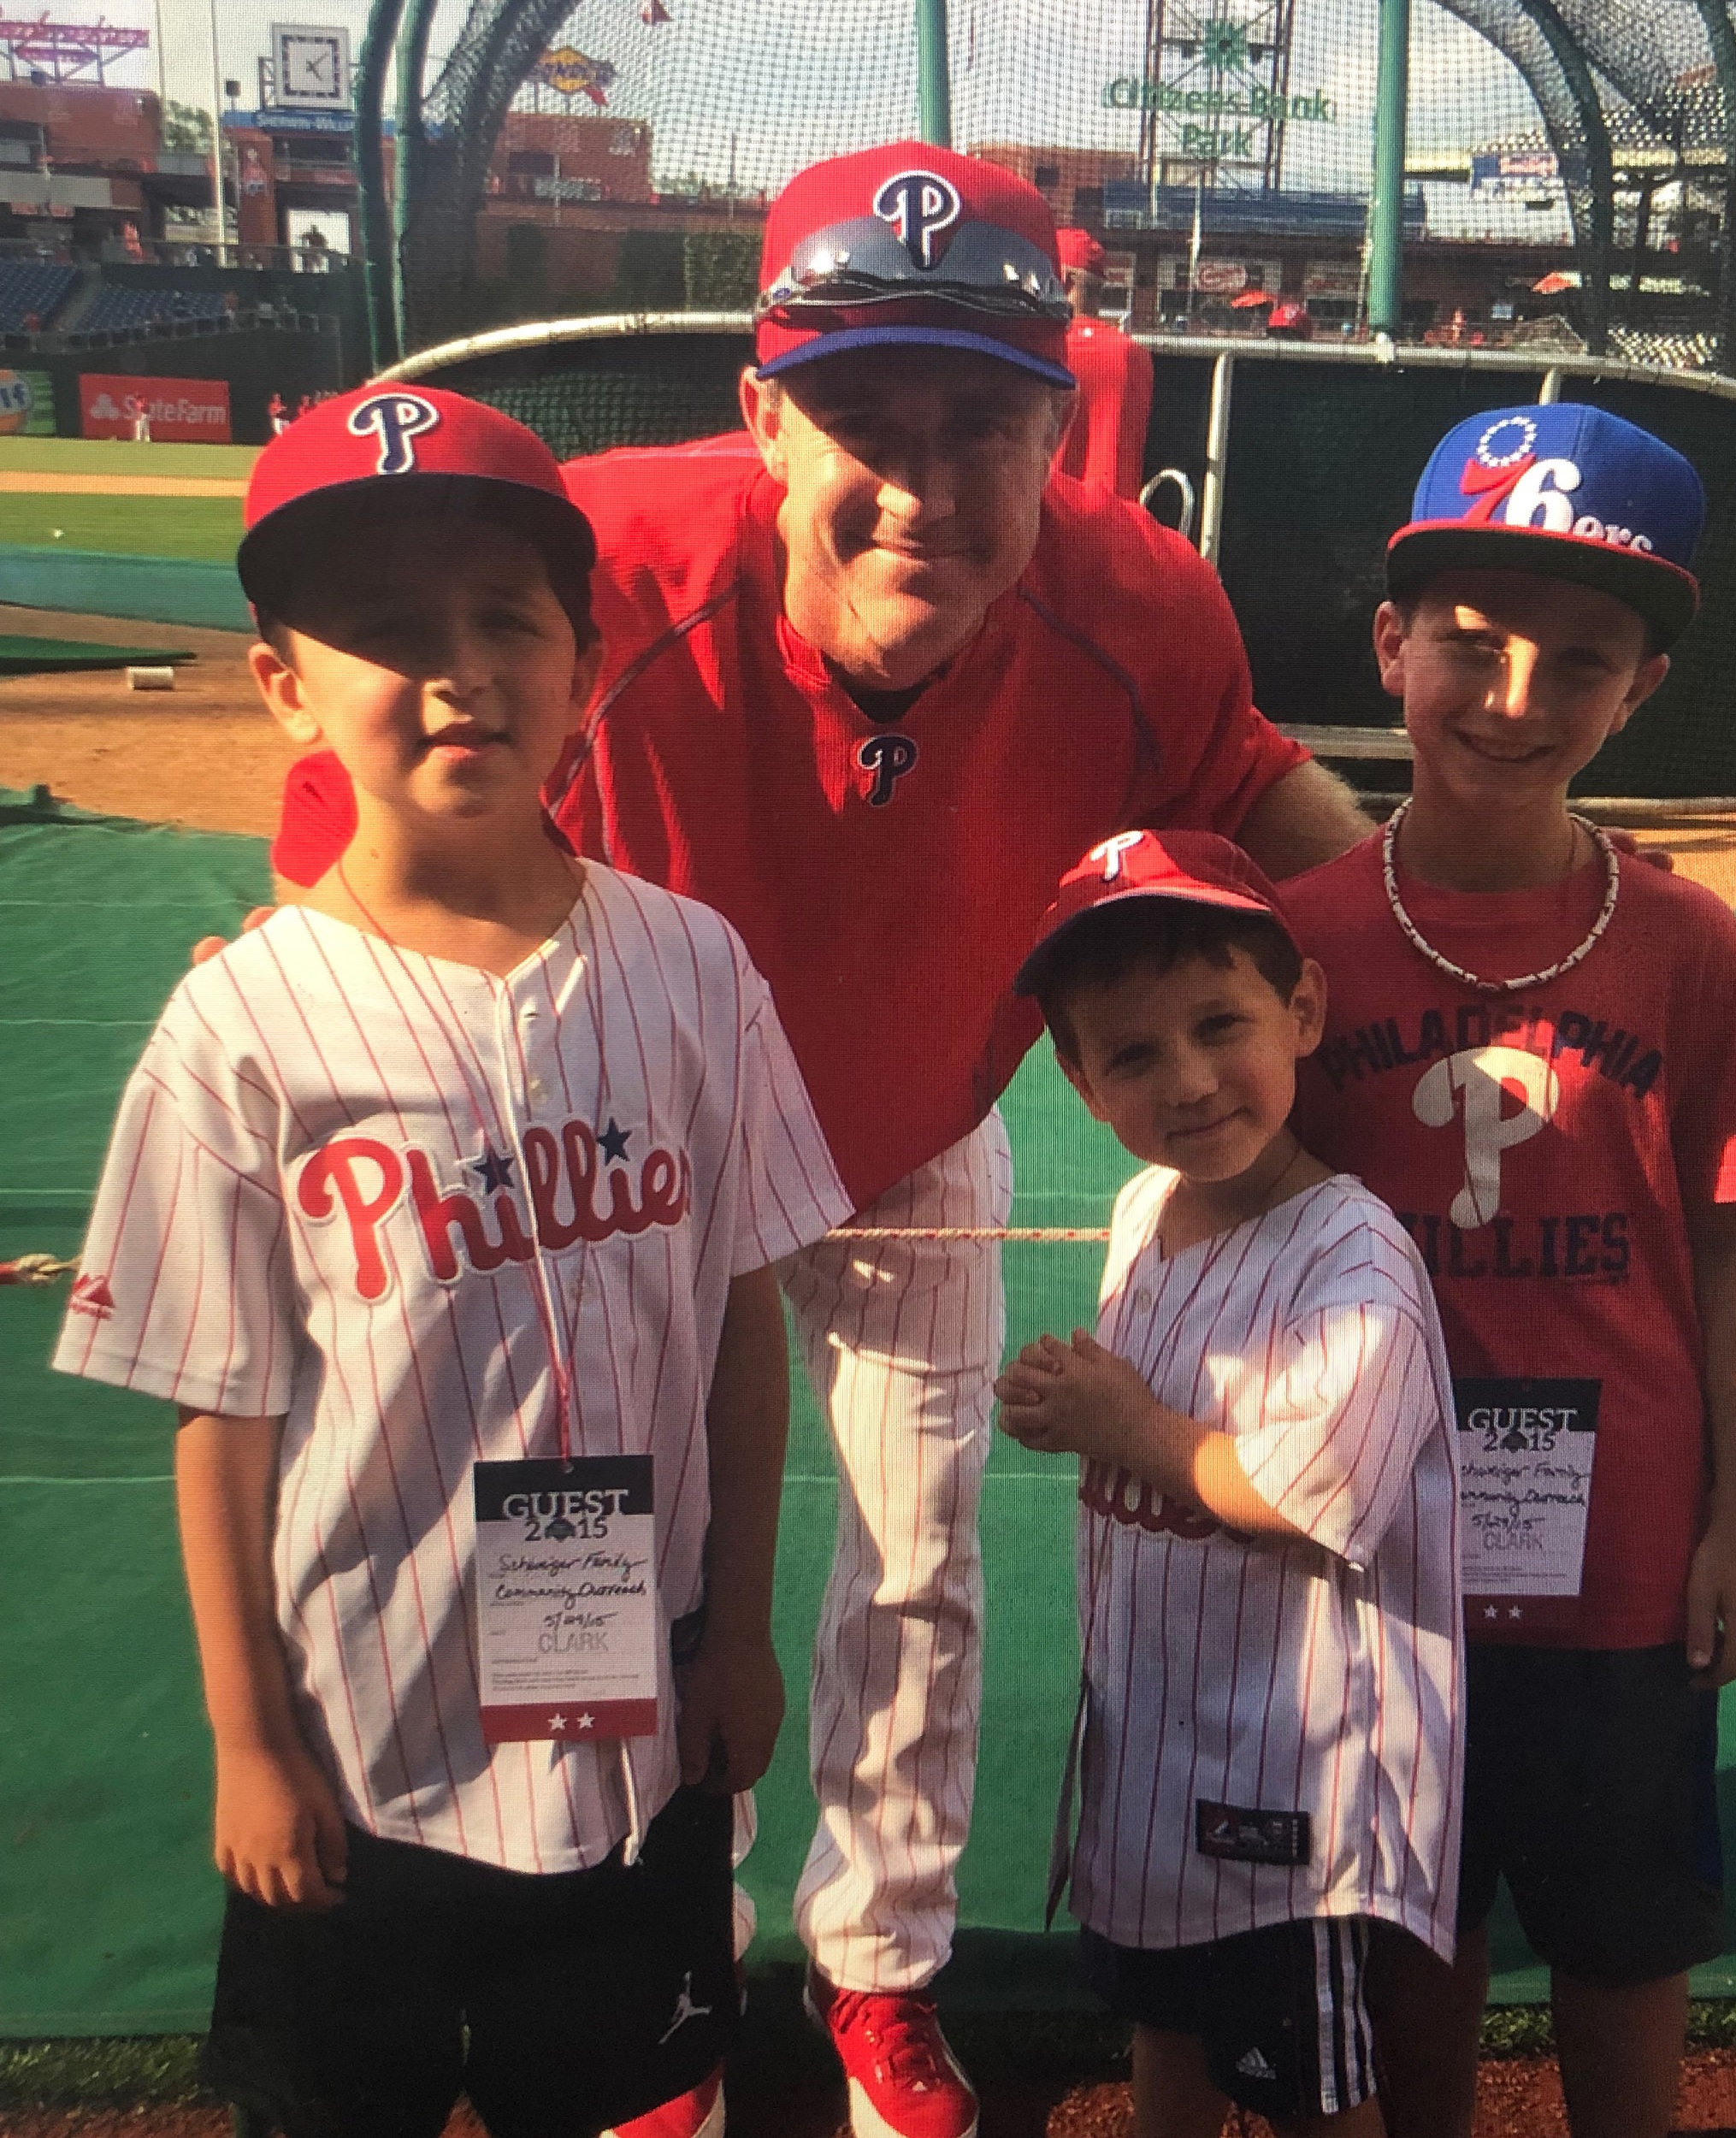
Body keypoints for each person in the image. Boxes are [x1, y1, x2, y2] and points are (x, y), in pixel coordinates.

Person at [256, 141, 1371, 2138]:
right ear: (762, 419)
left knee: (919, 1570)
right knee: (598, 1563)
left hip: (910, 1132)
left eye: (983, 425)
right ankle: (630, 1991)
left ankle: (879, 1978)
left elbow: (1258, 787)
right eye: (864, 418)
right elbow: (362, 874)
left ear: (1065, 428)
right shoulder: (591, 585)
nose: (925, 488)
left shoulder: (1138, 601)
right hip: (629, 1162)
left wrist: (1469, 968)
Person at [57, 388, 851, 2138]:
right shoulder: (243, 1025)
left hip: (639, 1712)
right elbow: (222, 1411)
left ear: (584, 657)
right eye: (388, 630)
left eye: (505, 619)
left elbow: (740, 1314)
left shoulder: (691, 970)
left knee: (622, 2093)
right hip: (358, 1739)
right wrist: (248, 1740)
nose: (456, 670)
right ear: (283, 682)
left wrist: (731, 1631)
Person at [1284, 404, 1736, 2138]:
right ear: (1388, 641)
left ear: (1637, 689)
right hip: (1382, 1544)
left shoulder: (1684, 942)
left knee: (1619, 1939)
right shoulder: (1297, 946)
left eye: (1575, 660)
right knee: (1413, 1940)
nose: (1511, 697)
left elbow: (1726, 1244)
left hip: (1623, 1560)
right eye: (1469, 642)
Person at [996, 830, 1462, 2138]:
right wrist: (1076, 1409)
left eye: (1220, 1025)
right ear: (1082, 1081)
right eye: (1135, 1054)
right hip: (1159, 1750)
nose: (1191, 1081)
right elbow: (1137, 1431)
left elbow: (1315, 1487)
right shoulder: (1146, 1209)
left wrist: (1120, 1419)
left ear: (1301, 1009)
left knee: (1309, 2089)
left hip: (1291, 1786)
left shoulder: (1355, 1251)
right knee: (1170, 2027)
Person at [1054, 226, 1154, 500]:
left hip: (1043, 521)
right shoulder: (1134, 355)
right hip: (1110, 524)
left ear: (1064, 279)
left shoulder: (1043, 346)